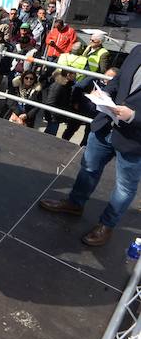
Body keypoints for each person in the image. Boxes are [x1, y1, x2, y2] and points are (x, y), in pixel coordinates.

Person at [39, 45, 141, 246]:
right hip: (106, 124)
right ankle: (74, 204)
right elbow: (119, 81)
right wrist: (103, 94)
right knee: (89, 168)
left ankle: (106, 225)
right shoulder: (138, 50)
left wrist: (134, 116)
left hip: (135, 139)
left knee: (124, 186)